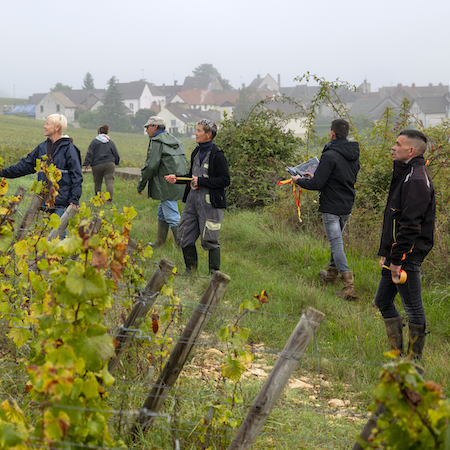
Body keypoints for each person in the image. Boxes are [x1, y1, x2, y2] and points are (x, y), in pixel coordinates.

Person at [374, 130, 435, 362]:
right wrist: (387, 253)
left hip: (407, 255)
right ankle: (398, 355)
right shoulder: (406, 173)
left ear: (411, 150)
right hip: (396, 253)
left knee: (413, 308)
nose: (393, 147)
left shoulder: (417, 179)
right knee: (382, 301)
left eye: (398, 144)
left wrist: (397, 259)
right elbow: (395, 217)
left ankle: (413, 362)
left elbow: (411, 226)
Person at [292, 118, 360, 300]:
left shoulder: (329, 155)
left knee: (336, 243)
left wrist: (299, 181)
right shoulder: (353, 154)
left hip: (331, 205)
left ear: (332, 133)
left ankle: (348, 287)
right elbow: (337, 178)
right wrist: (315, 175)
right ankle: (330, 276)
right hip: (346, 204)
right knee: (335, 241)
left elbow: (317, 184)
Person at [165, 119, 230, 274]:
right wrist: (178, 178)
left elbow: (225, 180)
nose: (195, 133)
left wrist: (201, 181)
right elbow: (191, 176)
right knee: (184, 234)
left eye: (199, 131)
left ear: (209, 134)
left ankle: (214, 274)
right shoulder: (196, 152)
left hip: (210, 205)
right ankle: (190, 270)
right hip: (192, 202)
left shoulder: (217, 155)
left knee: (210, 239)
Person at [0, 114, 82, 216]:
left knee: (57, 230)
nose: (44, 126)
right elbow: (24, 166)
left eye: (47, 124)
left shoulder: (69, 148)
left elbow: (77, 176)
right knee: (50, 230)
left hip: (62, 200)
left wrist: (74, 199)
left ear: (57, 128)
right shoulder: (42, 147)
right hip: (45, 199)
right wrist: (2, 172)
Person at [137, 116, 187, 247]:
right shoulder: (174, 139)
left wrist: (141, 185)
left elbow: (151, 166)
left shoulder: (157, 142)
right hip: (177, 182)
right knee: (162, 212)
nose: (146, 130)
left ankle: (183, 247)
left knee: (171, 215)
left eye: (147, 127)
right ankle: (160, 242)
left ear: (154, 127)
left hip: (165, 184)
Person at [83, 124, 120, 203]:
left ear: (98, 132)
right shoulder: (110, 142)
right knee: (109, 182)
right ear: (107, 132)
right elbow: (116, 153)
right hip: (109, 164)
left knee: (97, 182)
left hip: (97, 164)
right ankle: (109, 201)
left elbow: (89, 153)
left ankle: (98, 199)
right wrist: (116, 162)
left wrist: (86, 164)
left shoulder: (94, 142)